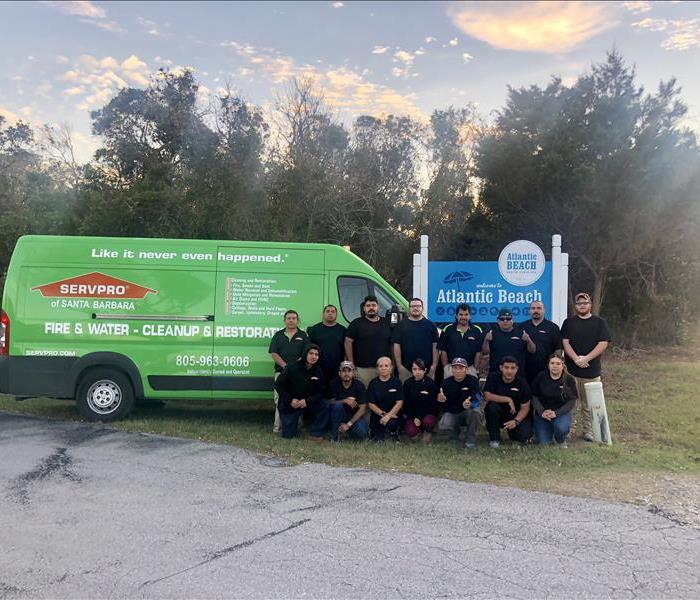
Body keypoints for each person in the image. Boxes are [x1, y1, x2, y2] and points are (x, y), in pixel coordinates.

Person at [561, 292, 612, 442]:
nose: (582, 305)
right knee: (570, 402)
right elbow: (565, 342)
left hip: (592, 370)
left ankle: (589, 431)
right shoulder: (569, 323)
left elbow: (603, 343)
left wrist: (587, 358)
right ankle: (568, 430)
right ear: (575, 306)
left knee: (589, 403)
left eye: (585, 303)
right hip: (572, 371)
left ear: (590, 305)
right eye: (579, 303)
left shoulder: (600, 322)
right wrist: (576, 359)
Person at [274, 344, 329, 440]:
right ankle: (292, 426)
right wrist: (290, 400)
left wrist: (307, 401)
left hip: (307, 403)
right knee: (288, 436)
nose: (313, 356)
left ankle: (315, 433)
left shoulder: (318, 371)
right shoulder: (292, 367)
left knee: (325, 405)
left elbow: (321, 392)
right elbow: (278, 385)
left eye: (316, 354)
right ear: (305, 354)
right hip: (291, 404)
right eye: (311, 353)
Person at [268, 309, 310, 433]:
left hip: (298, 374)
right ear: (285, 320)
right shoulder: (278, 335)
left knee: (298, 399)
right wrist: (285, 366)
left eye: (294, 318)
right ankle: (278, 427)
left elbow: (306, 354)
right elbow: (274, 353)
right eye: (288, 318)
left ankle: (297, 427)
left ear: (297, 320)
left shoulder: (303, 335)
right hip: (281, 372)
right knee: (280, 399)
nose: (291, 320)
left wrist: (295, 367)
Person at [483, 355, 533, 448]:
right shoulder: (493, 377)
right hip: (499, 413)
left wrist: (516, 421)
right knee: (491, 407)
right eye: (506, 367)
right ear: (501, 368)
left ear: (517, 369)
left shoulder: (522, 382)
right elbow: (487, 396)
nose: (509, 371)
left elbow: (525, 407)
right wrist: (507, 399)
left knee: (524, 435)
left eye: (513, 368)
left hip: (515, 415)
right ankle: (494, 439)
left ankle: (513, 433)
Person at [345, 295, 393, 387]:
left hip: (384, 369)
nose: (371, 308)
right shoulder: (356, 323)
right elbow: (347, 343)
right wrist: (352, 365)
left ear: (378, 307)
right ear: (364, 308)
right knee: (364, 398)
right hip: (363, 370)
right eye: (368, 306)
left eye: (373, 305)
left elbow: (392, 344)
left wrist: (393, 365)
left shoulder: (387, 323)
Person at [531, 353, 578, 447]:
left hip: (560, 413)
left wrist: (556, 413)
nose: (555, 366)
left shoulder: (569, 379)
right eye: (552, 363)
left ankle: (561, 438)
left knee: (561, 427)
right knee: (544, 443)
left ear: (563, 366)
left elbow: (572, 401)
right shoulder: (541, 376)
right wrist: (541, 412)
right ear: (548, 365)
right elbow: (534, 396)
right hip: (543, 414)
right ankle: (543, 432)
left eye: (558, 363)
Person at [437, 357, 482, 448]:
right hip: (453, 412)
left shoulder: (473, 380)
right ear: (452, 370)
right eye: (455, 368)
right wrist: (440, 400)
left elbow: (477, 399)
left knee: (476, 413)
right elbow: (443, 406)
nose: (458, 371)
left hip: (468, 411)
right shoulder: (445, 383)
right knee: (446, 421)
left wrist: (470, 404)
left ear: (466, 369)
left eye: (461, 368)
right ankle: (454, 434)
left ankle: (470, 440)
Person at [392, 297, 439, 383]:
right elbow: (396, 346)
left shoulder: (431, 326)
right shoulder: (401, 325)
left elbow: (435, 347)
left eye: (418, 306)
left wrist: (434, 367)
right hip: (406, 371)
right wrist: (399, 367)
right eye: (413, 306)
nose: (415, 308)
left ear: (422, 308)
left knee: (427, 395)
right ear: (409, 308)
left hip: (427, 371)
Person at [481, 308, 535, 374]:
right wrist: (486, 340)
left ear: (512, 321)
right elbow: (485, 352)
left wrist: (528, 340)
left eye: (508, 319)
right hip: (496, 373)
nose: (505, 321)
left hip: (517, 374)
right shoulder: (492, 334)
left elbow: (532, 350)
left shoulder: (521, 333)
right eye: (502, 319)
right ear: (498, 321)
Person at [520, 301, 562, 384]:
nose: (536, 311)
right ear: (529, 311)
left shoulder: (553, 327)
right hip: (525, 370)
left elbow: (558, 349)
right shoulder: (522, 327)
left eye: (539, 308)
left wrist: (554, 367)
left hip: (546, 371)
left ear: (544, 310)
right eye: (533, 308)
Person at [437, 303, 484, 378]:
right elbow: (443, 351)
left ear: (470, 316)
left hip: (469, 369)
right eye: (461, 314)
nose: (463, 317)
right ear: (456, 316)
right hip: (451, 369)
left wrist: (475, 368)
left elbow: (478, 352)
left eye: (466, 314)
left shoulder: (477, 330)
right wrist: (446, 367)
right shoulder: (447, 329)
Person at [328, 361, 369, 442]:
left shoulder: (359, 385)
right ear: (339, 373)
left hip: (354, 417)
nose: (346, 373)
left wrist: (348, 424)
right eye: (344, 371)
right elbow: (328, 402)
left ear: (353, 373)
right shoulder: (334, 383)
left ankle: (346, 431)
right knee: (338, 405)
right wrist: (344, 401)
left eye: (349, 371)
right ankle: (334, 437)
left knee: (362, 433)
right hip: (338, 415)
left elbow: (362, 409)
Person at [366, 356, 404, 442]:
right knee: (377, 440)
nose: (383, 368)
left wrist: (389, 416)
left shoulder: (397, 382)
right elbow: (371, 404)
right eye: (381, 366)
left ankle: (394, 433)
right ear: (377, 369)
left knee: (393, 423)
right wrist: (383, 414)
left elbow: (400, 402)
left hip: (393, 414)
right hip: (378, 414)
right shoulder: (373, 383)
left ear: (391, 368)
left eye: (386, 366)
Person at [402, 358, 440, 443]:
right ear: (412, 370)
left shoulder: (430, 384)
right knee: (411, 432)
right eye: (415, 369)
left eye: (420, 369)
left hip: (427, 415)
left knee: (428, 421)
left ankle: (428, 431)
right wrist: (414, 417)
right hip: (413, 416)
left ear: (425, 370)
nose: (417, 372)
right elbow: (406, 404)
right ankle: (418, 432)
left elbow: (433, 405)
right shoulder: (407, 384)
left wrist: (420, 417)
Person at [307, 305, 347, 384]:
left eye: (333, 312)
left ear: (336, 315)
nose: (330, 313)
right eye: (327, 311)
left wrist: (344, 364)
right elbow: (309, 349)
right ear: (323, 314)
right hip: (318, 368)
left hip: (336, 368)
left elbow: (345, 349)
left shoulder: (342, 330)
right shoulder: (314, 329)